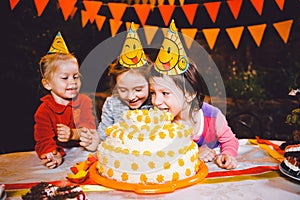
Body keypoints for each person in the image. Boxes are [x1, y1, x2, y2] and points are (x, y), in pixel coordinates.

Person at [149, 20, 239, 169]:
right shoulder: (159, 122)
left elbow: (230, 140)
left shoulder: (213, 117)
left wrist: (228, 154)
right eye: (153, 93)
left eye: (165, 93)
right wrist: (194, 151)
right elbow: (158, 152)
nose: (156, 101)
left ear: (190, 94)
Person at [34, 32, 100, 169]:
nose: (73, 82)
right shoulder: (44, 110)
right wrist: (52, 154)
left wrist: (72, 133)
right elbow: (43, 140)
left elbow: (89, 130)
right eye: (65, 78)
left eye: (76, 77)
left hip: (83, 156)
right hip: (62, 159)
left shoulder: (84, 102)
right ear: (47, 84)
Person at [97, 22, 152, 141]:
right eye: (123, 90)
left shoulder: (157, 104)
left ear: (150, 84)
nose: (131, 97)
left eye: (138, 89)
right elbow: (102, 137)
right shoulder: (112, 105)